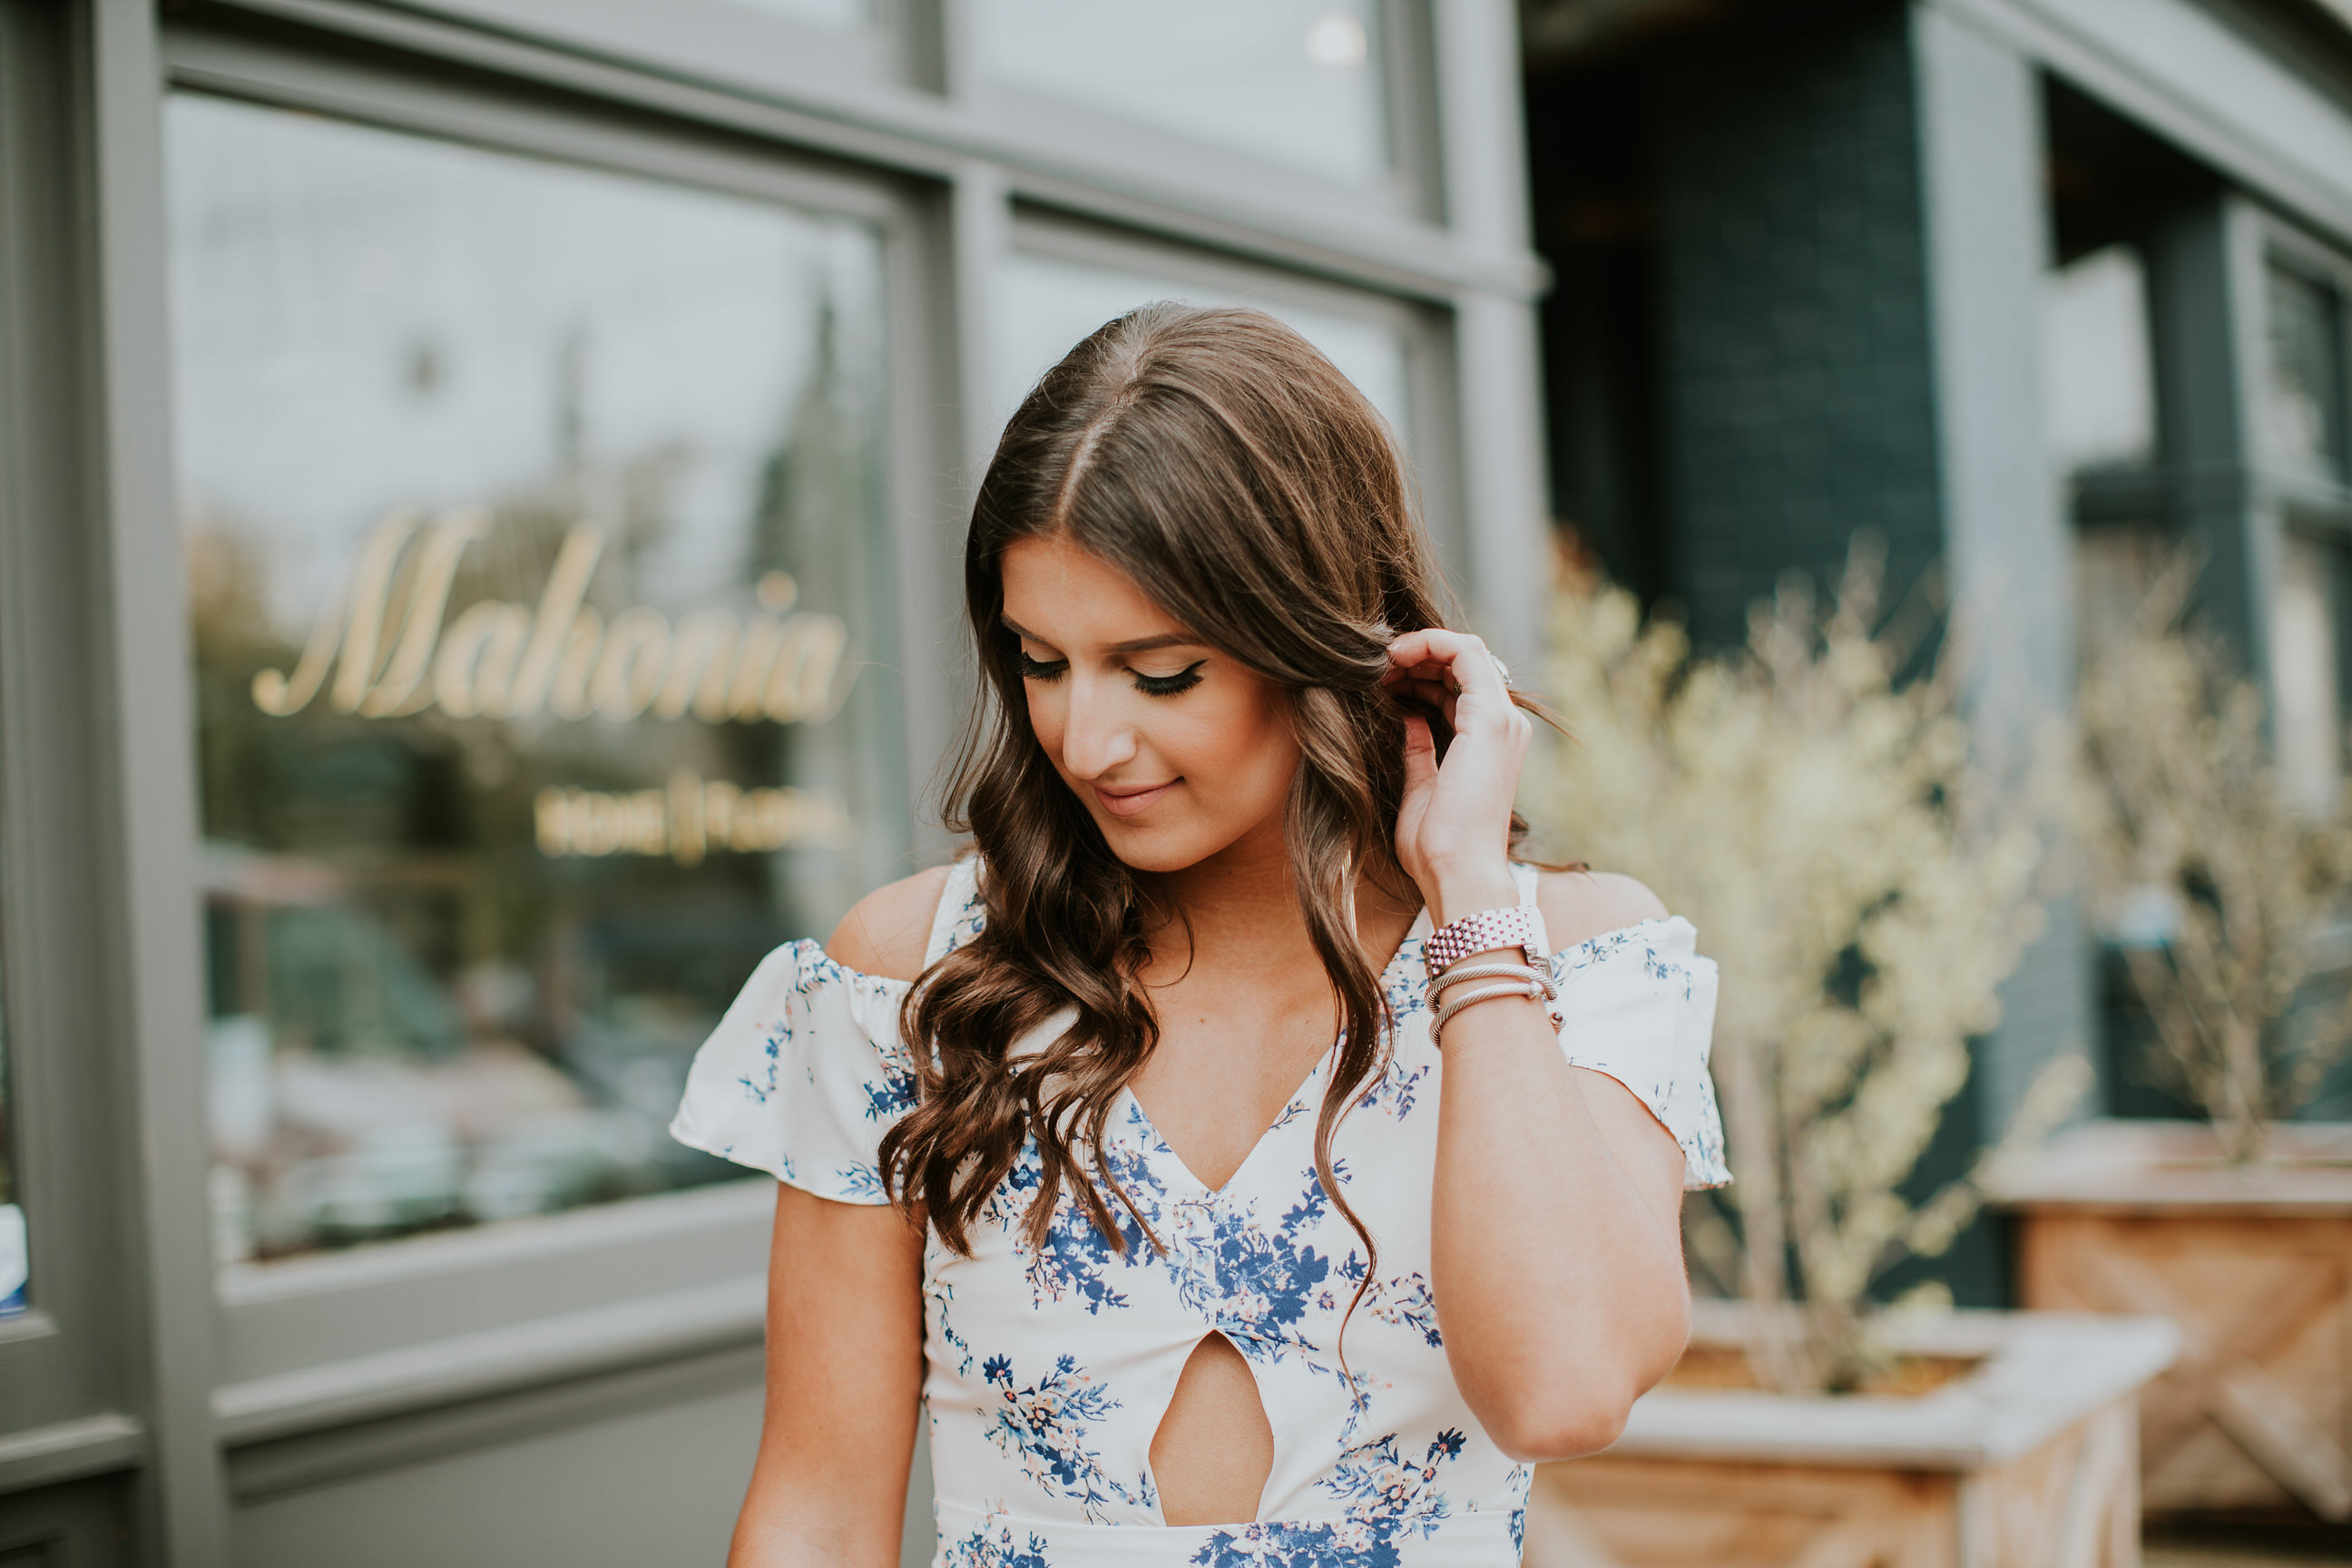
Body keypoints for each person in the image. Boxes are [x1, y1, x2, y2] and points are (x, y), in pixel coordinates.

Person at [671, 302, 1729, 1568]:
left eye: (1160, 674)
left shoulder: (1577, 959)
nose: (1085, 741)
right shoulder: (911, 980)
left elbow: (1566, 1390)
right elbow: (817, 1518)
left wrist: (1471, 905)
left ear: (1318, 632)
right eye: (1042, 663)